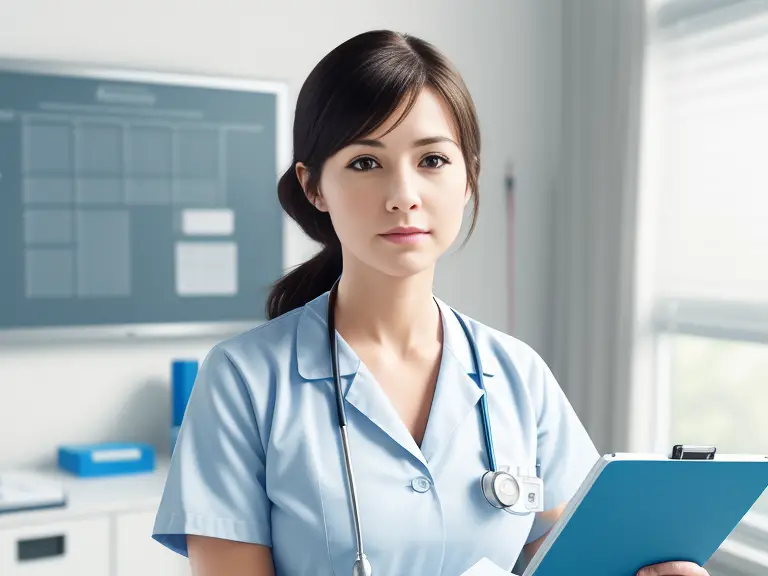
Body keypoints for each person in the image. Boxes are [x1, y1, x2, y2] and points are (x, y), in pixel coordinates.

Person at [151, 30, 710, 576]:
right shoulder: (242, 381)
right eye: (365, 163)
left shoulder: (518, 374)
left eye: (433, 160)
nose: (403, 197)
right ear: (313, 186)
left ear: (469, 177)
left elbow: (571, 558)